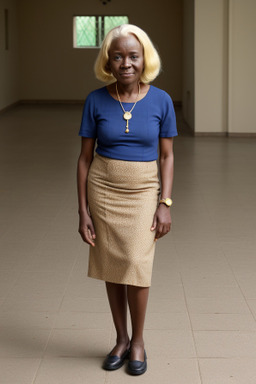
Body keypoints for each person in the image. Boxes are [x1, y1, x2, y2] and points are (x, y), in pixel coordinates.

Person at [77, 24, 177, 376]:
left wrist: (164, 203)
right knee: (113, 266)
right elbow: (85, 159)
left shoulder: (162, 100)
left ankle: (138, 341)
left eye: (133, 56)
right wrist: (83, 211)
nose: (126, 63)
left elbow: (166, 156)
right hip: (102, 190)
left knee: (135, 263)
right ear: (108, 60)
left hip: (143, 192)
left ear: (144, 58)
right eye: (117, 56)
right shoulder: (96, 99)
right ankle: (120, 339)